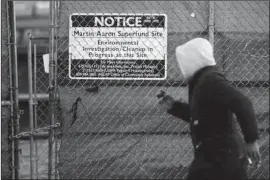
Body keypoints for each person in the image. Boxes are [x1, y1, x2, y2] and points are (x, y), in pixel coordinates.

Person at [158, 38, 261, 180]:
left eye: (183, 62)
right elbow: (204, 116)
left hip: (221, 157)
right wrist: (175, 107)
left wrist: (251, 140)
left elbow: (243, 103)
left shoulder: (210, 80)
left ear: (193, 60)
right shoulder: (202, 81)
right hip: (216, 155)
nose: (181, 67)